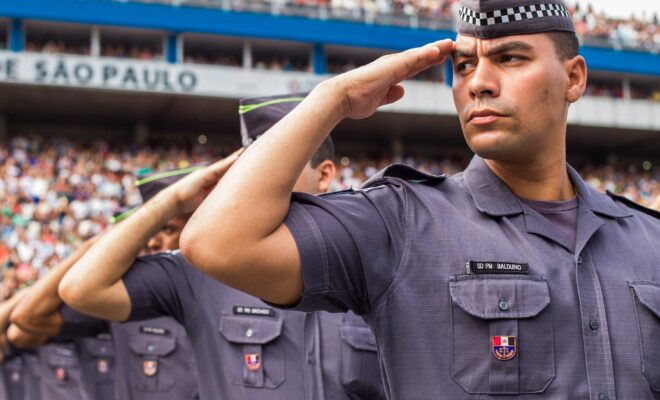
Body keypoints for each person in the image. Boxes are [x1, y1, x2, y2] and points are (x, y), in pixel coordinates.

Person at [179, 1, 660, 399]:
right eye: (465, 65)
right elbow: (216, 242)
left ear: (574, 78)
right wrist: (333, 99)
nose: (479, 83)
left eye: (511, 58)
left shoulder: (648, 239)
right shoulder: (401, 221)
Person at [58, 96, 385, 400]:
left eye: (283, 161)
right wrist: (170, 202)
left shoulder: (373, 262)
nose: (263, 179)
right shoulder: (201, 269)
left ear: (325, 174)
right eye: (253, 166)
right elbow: (82, 289)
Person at [6, 170, 202, 400]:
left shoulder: (225, 288)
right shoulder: (123, 295)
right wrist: (95, 247)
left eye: (167, 229)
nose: (152, 241)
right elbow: (27, 319)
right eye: (148, 232)